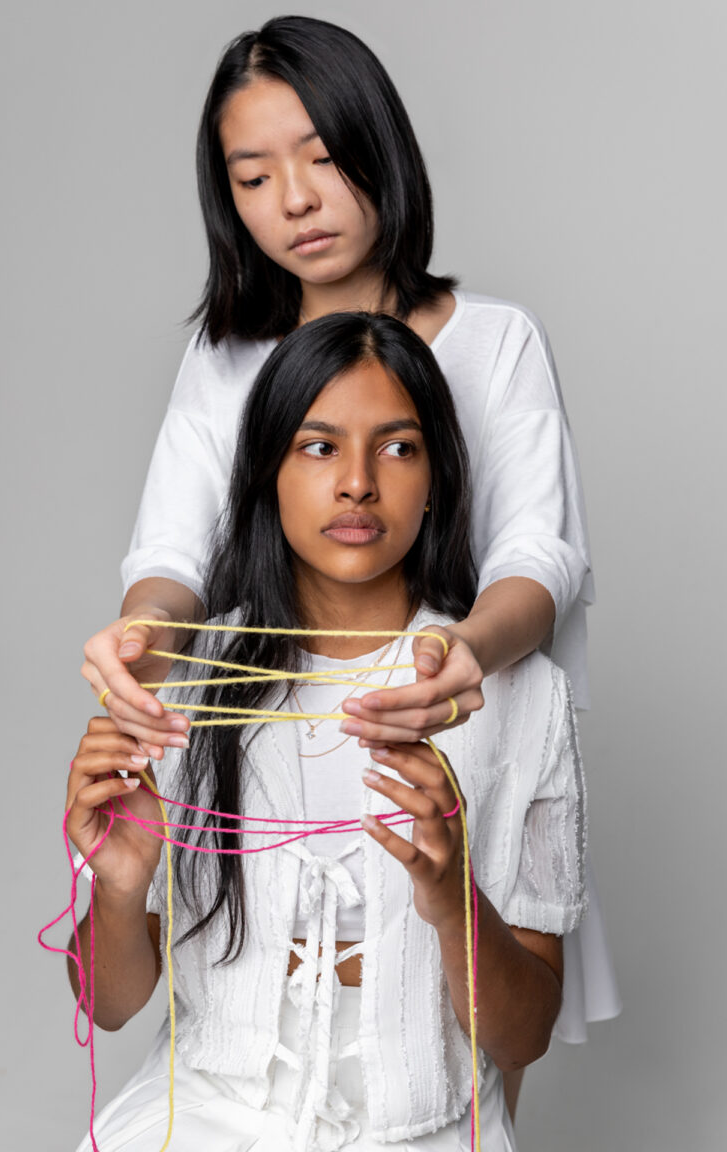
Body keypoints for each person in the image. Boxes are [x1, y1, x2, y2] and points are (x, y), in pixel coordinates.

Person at [79, 14, 618, 1112]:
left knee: (449, 1058)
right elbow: (174, 555)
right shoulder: (225, 357)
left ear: (381, 149)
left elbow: (537, 555)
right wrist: (140, 646)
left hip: (461, 731)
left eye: (322, 158)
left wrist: (461, 657)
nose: (294, 200)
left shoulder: (494, 343)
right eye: (253, 176)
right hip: (274, 720)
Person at [67, 313, 587, 1152]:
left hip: (423, 1121)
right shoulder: (182, 682)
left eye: (398, 447)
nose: (356, 484)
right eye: (317, 447)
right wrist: (120, 890)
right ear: (266, 473)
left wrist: (454, 900)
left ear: (439, 478)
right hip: (203, 1109)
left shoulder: (521, 695)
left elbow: (522, 1038)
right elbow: (109, 1004)